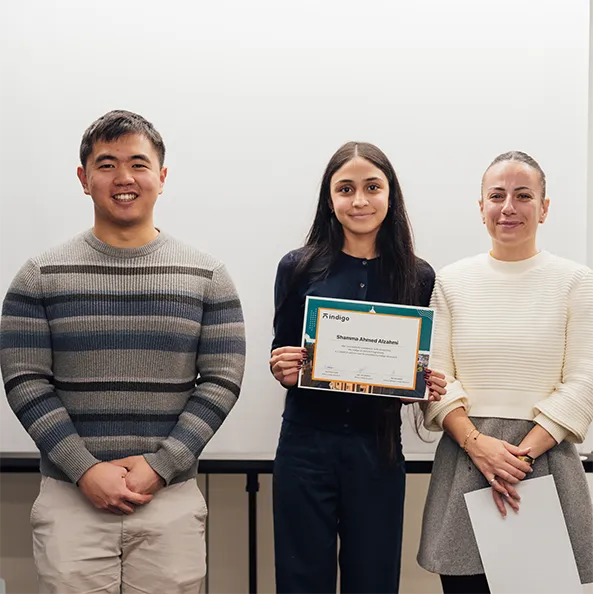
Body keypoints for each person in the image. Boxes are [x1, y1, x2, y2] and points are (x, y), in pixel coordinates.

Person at [0, 110, 245, 593]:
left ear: (162, 176)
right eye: (106, 164)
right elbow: (25, 379)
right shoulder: (39, 275)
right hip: (71, 498)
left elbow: (222, 379)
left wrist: (161, 465)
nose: (124, 178)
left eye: (138, 163)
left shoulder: (208, 276)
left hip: (169, 498)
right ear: (84, 178)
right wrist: (84, 469)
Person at [269, 141, 447, 594]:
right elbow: (284, 352)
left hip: (378, 453)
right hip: (305, 449)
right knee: (301, 581)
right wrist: (283, 365)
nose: (360, 200)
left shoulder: (418, 275)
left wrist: (422, 383)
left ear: (391, 196)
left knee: (374, 582)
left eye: (372, 187)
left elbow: (413, 366)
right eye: (346, 189)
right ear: (330, 199)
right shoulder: (298, 267)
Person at [418, 151, 593, 593]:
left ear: (545, 207)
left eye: (523, 195)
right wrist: (479, 447)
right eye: (497, 196)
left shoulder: (577, 281)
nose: (508, 207)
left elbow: (584, 381)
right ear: (481, 207)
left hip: (545, 464)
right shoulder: (451, 281)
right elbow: (435, 376)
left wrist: (519, 458)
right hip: (465, 461)